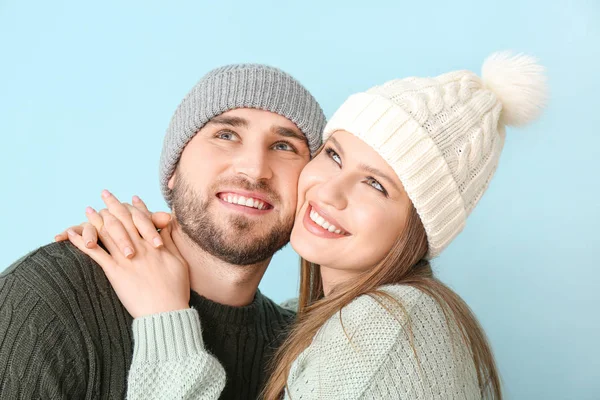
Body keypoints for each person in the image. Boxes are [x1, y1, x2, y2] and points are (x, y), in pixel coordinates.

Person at [66, 51, 547, 399]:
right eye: (334, 155)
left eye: (376, 185)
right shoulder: (309, 320)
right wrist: (146, 241)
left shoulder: (388, 327)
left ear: (418, 229)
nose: (331, 192)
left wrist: (164, 319)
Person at [0, 64, 326, 399]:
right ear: (173, 169)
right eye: (226, 135)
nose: (255, 168)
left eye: (285, 146)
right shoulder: (50, 298)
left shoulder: (303, 354)